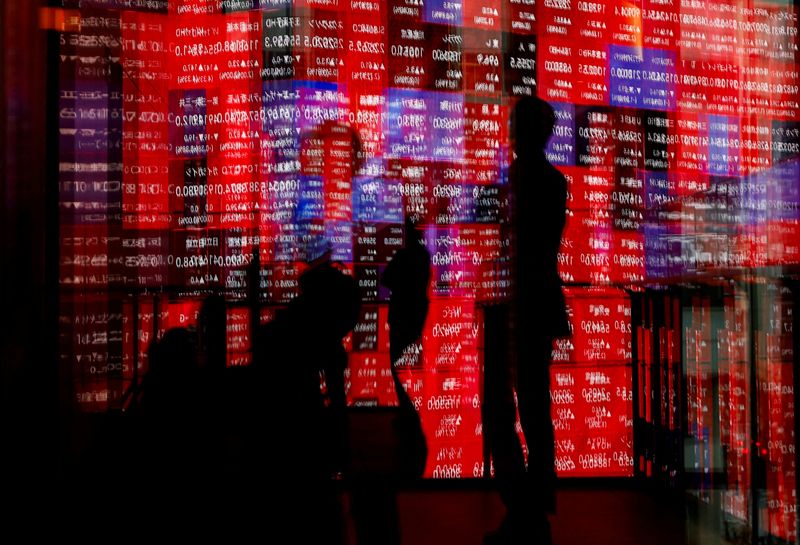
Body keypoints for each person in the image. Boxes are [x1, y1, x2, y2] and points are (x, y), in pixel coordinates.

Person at [482, 96, 571, 545]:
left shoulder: (514, 181)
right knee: (537, 410)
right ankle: (534, 507)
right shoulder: (555, 182)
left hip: (512, 303)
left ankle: (523, 507)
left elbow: (513, 246)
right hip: (538, 302)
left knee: (500, 407)